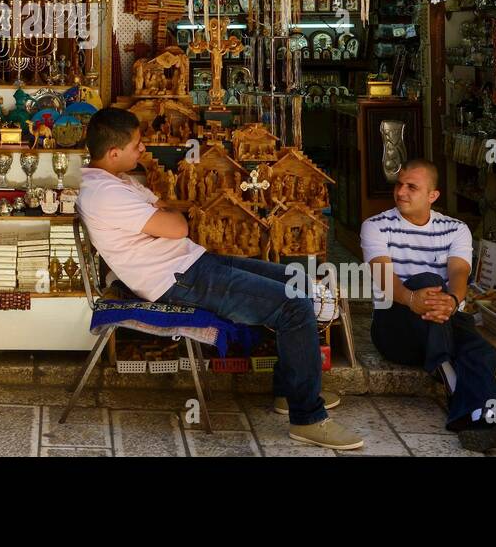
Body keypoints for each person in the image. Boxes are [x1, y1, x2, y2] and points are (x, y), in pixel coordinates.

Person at [77, 108, 364, 451]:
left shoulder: (117, 182)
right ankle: (308, 418)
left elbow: (168, 210)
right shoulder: (105, 194)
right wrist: (166, 219)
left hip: (190, 262)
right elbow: (178, 223)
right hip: (178, 279)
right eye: (137, 145)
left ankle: (292, 391)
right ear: (113, 153)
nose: (143, 150)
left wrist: (165, 218)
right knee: (293, 303)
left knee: (296, 279)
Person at [361, 159, 496, 452]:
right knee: (427, 280)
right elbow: (382, 276)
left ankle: (486, 421)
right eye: (399, 184)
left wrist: (454, 300)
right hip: (395, 328)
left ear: (433, 196)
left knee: (481, 351)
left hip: (442, 318)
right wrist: (412, 299)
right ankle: (458, 396)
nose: (401, 192)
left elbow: (459, 273)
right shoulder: (376, 225)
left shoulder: (456, 229)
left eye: (412, 187)